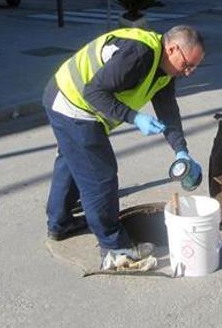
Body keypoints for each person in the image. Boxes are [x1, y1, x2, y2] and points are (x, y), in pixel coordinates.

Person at [41, 25, 205, 270]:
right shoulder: (139, 54)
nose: (189, 72)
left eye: (193, 67)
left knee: (72, 160)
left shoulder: (165, 70)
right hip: (72, 103)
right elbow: (93, 92)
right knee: (100, 175)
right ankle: (114, 249)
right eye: (187, 65)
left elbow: (168, 111)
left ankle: (60, 223)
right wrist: (134, 117)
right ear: (172, 48)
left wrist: (181, 150)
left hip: (66, 97)